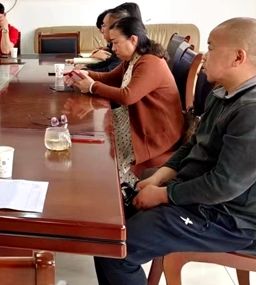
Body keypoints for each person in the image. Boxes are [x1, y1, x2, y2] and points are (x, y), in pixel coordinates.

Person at [69, 18, 256, 285]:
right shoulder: (226, 93)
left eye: (211, 48)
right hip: (198, 197)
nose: (204, 56)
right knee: (106, 220)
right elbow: (194, 144)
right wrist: (160, 177)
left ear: (239, 57)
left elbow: (224, 186)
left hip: (226, 218)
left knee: (116, 242)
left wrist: (163, 195)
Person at [68, 17, 184, 185]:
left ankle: (115, 190)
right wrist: (84, 74)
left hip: (157, 131)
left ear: (133, 39)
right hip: (138, 120)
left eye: (116, 43)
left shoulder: (150, 62)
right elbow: (110, 78)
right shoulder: (133, 59)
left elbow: (127, 96)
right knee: (95, 138)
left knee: (101, 148)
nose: (113, 48)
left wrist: (92, 86)